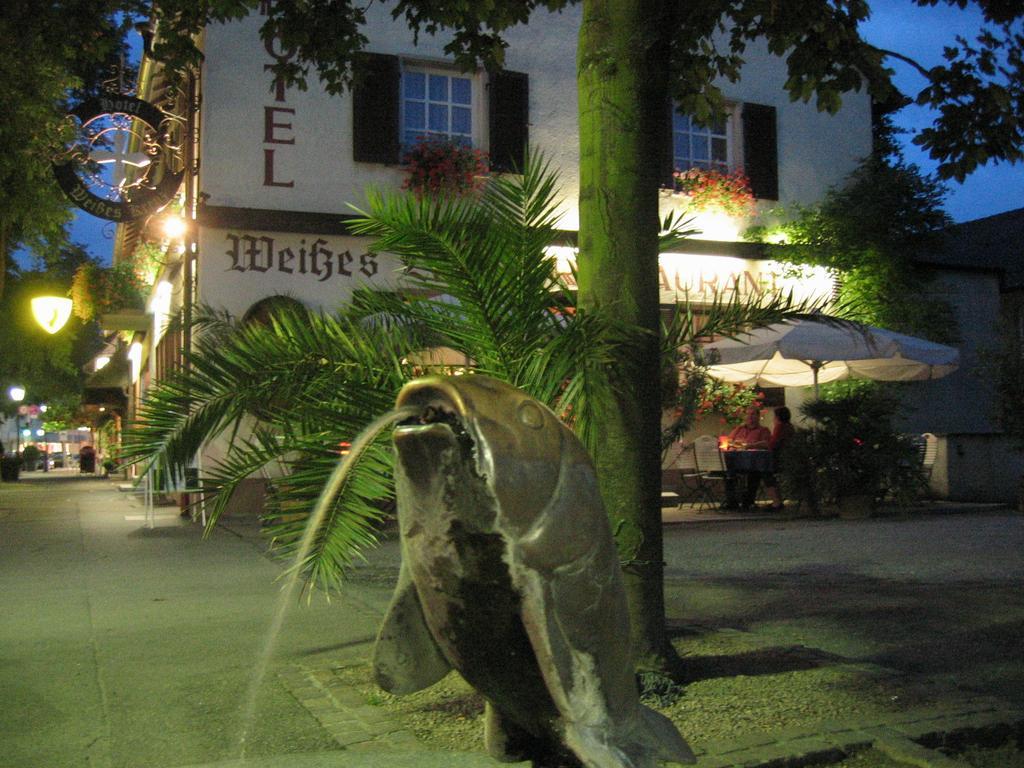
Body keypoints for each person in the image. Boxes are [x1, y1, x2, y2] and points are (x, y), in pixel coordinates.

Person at [722, 405, 771, 509]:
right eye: (748, 414)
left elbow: (766, 443)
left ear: (758, 416)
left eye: (753, 414)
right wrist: (733, 445)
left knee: (755, 473)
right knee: (728, 473)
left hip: (754, 462)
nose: (750, 417)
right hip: (736, 462)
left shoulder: (763, 430)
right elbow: (729, 441)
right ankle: (731, 502)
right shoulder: (739, 429)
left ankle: (748, 501)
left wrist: (751, 445)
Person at [763, 406, 795, 510]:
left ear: (777, 417)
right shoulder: (789, 427)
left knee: (765, 472)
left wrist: (763, 443)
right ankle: (778, 500)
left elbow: (773, 444)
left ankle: (776, 502)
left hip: (780, 460)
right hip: (788, 459)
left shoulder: (780, 427)